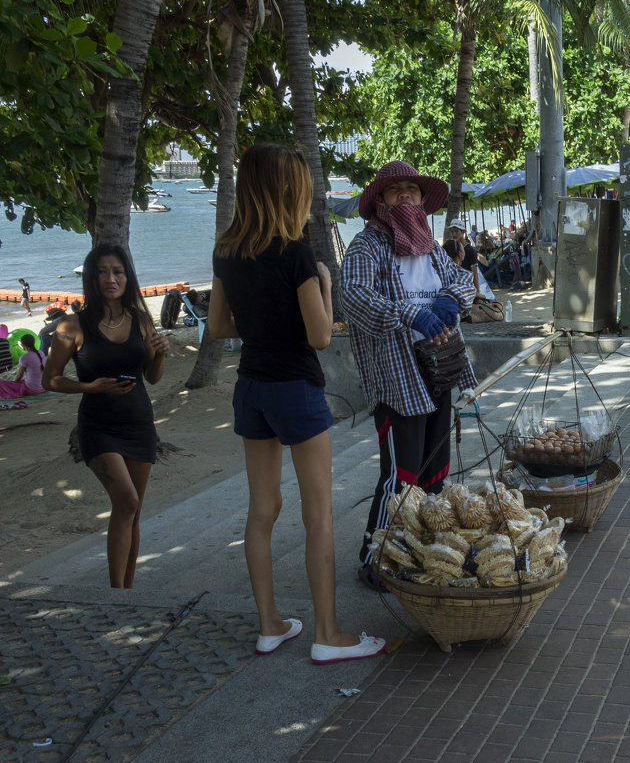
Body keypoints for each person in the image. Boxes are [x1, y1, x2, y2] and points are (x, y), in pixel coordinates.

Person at [208, 143, 385, 663]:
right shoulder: (296, 253)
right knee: (319, 515)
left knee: (261, 511)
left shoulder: (226, 250)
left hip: (252, 388)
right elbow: (322, 336)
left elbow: (219, 327)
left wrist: (261, 329)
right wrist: (326, 287)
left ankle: (270, 626)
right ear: (287, 188)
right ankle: (327, 634)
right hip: (296, 390)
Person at [341, 161, 476, 587]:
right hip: (397, 377)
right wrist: (412, 313)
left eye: (411, 190)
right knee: (401, 474)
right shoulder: (368, 246)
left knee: (436, 470)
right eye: (395, 190)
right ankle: (375, 556)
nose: (404, 196)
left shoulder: (433, 248)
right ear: (380, 201)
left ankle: (430, 553)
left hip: (439, 370)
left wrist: (451, 300)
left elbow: (463, 281)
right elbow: (354, 298)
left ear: (421, 200)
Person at [42, 244, 170, 588]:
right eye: (102, 271)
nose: (110, 278)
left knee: (133, 511)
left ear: (128, 277)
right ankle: (116, 594)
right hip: (99, 427)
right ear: (91, 277)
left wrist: (159, 355)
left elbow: (152, 376)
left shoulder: (141, 320)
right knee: (126, 501)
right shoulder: (72, 326)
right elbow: (49, 379)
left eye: (118, 271)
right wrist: (91, 387)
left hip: (139, 424)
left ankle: (128, 593)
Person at [0, 334, 46, 399]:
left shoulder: (24, 357)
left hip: (32, 388)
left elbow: (19, 376)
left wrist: (14, 383)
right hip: (44, 386)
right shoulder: (41, 353)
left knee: (2, 384)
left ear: (22, 345)